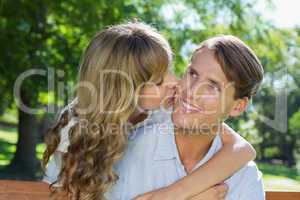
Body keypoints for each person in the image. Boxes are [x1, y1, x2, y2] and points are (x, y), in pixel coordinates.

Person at [42, 22, 256, 200]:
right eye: (158, 81)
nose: (175, 82)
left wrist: (173, 194)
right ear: (125, 92)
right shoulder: (77, 129)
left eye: (170, 70)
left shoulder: (164, 109)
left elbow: (242, 149)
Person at [107, 35, 265, 200]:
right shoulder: (124, 148)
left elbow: (243, 149)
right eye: (193, 73)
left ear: (238, 106)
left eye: (212, 86)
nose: (192, 91)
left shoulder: (245, 178)